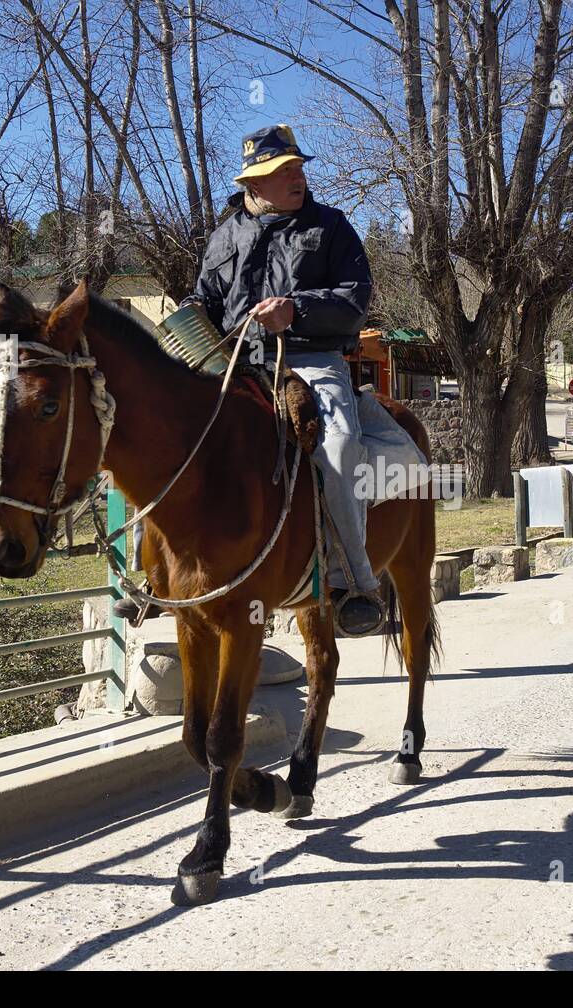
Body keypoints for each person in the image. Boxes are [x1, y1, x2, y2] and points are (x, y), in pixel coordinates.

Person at [183, 124, 383, 636]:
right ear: (254, 184)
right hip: (232, 362)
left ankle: (353, 582)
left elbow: (356, 299)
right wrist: (186, 314)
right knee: (169, 433)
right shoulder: (226, 233)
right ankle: (160, 575)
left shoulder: (331, 226)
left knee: (338, 446)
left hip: (313, 359)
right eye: (283, 171)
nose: (297, 177)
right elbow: (205, 298)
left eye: (297, 167)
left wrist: (296, 311)